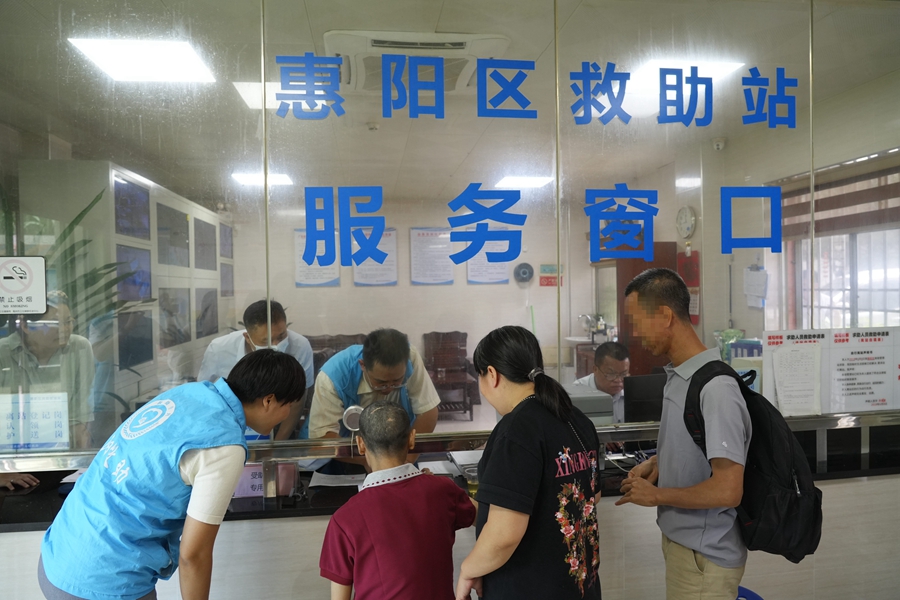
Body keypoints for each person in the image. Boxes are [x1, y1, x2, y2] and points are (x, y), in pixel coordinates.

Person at [38, 349, 306, 600]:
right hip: (103, 579)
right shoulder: (224, 445)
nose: (287, 415)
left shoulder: (192, 393)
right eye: (289, 405)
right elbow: (193, 555)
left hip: (60, 550)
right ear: (269, 400)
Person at [615, 268, 751, 600]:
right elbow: (698, 448)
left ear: (665, 316)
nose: (635, 334)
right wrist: (659, 463)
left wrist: (656, 496)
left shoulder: (716, 389)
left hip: (704, 558)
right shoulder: (679, 377)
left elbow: (728, 489)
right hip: (684, 548)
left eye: (637, 322)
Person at [456, 326, 601, 600]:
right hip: (579, 588)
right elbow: (593, 495)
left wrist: (468, 569)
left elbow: (504, 534)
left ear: (492, 375)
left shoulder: (516, 430)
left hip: (531, 588)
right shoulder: (576, 419)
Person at [320, 403, 476, 600]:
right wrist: (475, 568)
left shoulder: (344, 519)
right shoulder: (443, 491)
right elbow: (489, 518)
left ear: (360, 444)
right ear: (412, 439)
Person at [197, 299, 314, 440]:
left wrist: (278, 444)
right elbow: (204, 393)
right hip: (229, 426)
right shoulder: (219, 349)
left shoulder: (300, 346)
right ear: (247, 337)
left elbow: (297, 400)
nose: (276, 345)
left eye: (281, 336)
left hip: (279, 421)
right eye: (266, 340)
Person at [302, 328, 440, 446]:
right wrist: (374, 461)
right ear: (363, 365)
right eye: (381, 383)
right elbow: (324, 439)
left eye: (396, 381)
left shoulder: (410, 357)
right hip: (347, 449)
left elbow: (427, 411)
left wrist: (407, 458)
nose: (388, 389)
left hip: (396, 446)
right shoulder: (333, 376)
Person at [0, 291, 94, 448]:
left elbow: (80, 413)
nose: (64, 329)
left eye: (68, 321)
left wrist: (80, 458)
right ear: (25, 326)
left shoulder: (79, 348)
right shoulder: (3, 353)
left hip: (63, 450)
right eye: (55, 323)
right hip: (11, 449)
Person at [573, 341, 630, 423]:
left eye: (623, 374)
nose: (618, 380)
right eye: (611, 374)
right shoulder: (577, 392)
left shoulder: (631, 392)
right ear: (595, 369)